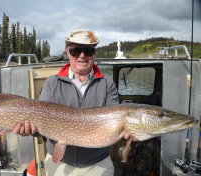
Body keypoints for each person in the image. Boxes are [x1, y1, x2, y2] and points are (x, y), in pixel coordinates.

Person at [14, 29, 130, 176]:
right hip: (60, 163)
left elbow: (114, 126)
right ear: (68, 52)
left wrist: (128, 131)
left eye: (88, 51)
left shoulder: (107, 85)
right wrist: (30, 131)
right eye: (76, 51)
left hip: (98, 163)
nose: (82, 56)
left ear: (94, 53)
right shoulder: (52, 82)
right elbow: (41, 123)